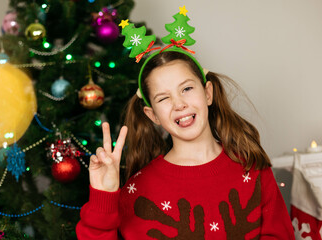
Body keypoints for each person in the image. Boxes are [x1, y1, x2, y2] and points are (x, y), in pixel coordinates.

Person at [75, 49, 295, 239]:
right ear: (153, 116)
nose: (179, 104)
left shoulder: (252, 167)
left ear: (208, 93)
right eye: (164, 98)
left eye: (187, 89)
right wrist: (102, 197)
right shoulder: (137, 191)